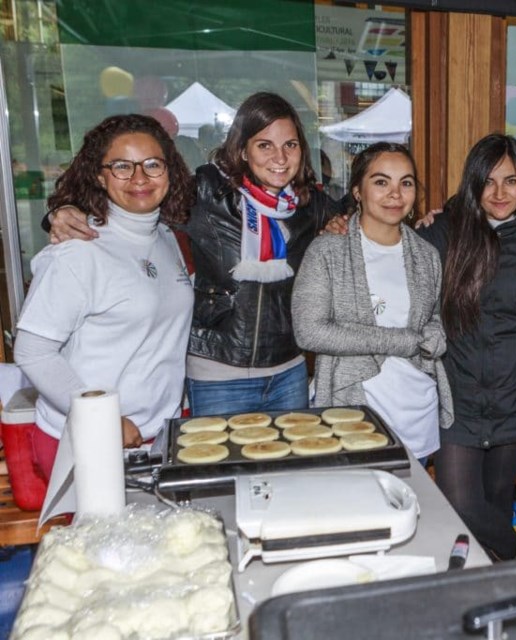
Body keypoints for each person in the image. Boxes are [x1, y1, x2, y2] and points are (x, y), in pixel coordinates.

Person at [46, 92, 344, 416]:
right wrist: (60, 211)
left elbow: (364, 214)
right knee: (220, 468)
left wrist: (341, 224)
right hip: (218, 376)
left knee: (289, 467)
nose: (280, 157)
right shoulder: (207, 191)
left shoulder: (308, 206)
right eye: (264, 145)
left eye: (290, 145)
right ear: (243, 150)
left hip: (289, 372)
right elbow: (134, 196)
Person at [15, 114, 195, 478]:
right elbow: (32, 351)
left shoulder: (166, 239)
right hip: (89, 440)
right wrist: (103, 417)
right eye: (122, 166)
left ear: (169, 171)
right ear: (100, 175)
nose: (140, 178)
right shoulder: (77, 250)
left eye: (152, 165)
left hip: (158, 437)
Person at [417, 134, 516, 561]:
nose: (499, 193)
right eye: (488, 182)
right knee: (461, 503)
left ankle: (492, 596)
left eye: (510, 181)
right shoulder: (441, 232)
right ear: (472, 183)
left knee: (495, 505)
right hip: (459, 395)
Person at [292, 142, 453, 463]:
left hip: (415, 410)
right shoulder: (327, 251)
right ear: (357, 191)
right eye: (381, 182)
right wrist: (401, 341)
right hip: (352, 408)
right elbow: (309, 331)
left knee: (410, 510)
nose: (395, 194)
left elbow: (432, 317)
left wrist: (435, 336)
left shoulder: (426, 255)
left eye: (405, 183)